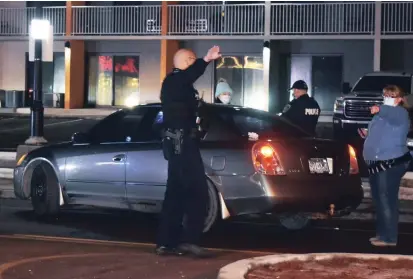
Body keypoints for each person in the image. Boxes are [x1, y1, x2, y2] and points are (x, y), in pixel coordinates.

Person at [156, 46, 221, 258]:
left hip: (179, 142)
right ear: (187, 62)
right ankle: (188, 240)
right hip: (181, 143)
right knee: (197, 191)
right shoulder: (176, 81)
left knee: (176, 192)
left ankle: (168, 242)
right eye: (192, 62)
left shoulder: (177, 84)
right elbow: (191, 74)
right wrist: (206, 59)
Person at [363, 85, 412, 247]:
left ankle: (389, 238)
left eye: (391, 95)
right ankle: (383, 234)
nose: (387, 97)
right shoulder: (381, 116)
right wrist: (367, 134)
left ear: (400, 99)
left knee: (386, 199)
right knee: (379, 199)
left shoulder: (400, 113)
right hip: (378, 163)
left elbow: (389, 112)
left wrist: (379, 108)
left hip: (390, 162)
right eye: (385, 94)